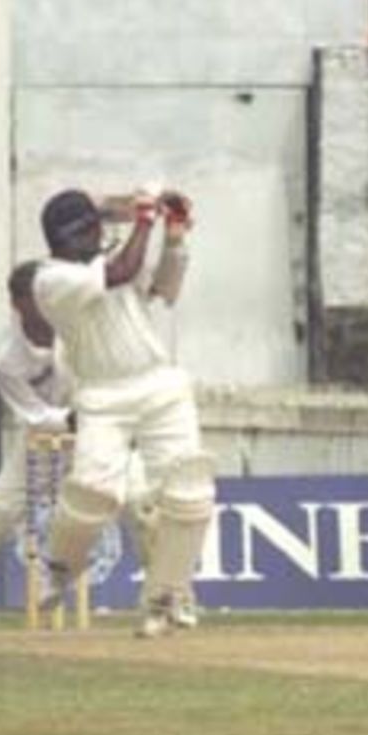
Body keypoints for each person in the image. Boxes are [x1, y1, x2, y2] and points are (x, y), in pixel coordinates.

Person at [0, 263, 188, 632]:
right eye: (35, 298)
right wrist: (71, 418)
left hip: (101, 429)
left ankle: (168, 603)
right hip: (41, 437)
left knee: (144, 507)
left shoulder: (77, 325)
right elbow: (34, 414)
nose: (46, 304)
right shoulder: (4, 355)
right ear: (16, 303)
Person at [31, 186, 213, 639]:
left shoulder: (108, 258)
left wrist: (173, 238)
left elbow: (165, 289)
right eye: (92, 227)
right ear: (69, 236)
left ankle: (167, 597)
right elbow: (121, 270)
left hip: (159, 384)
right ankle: (61, 568)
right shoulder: (50, 280)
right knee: (93, 493)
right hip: (102, 396)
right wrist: (144, 218)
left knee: (188, 489)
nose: (101, 232)